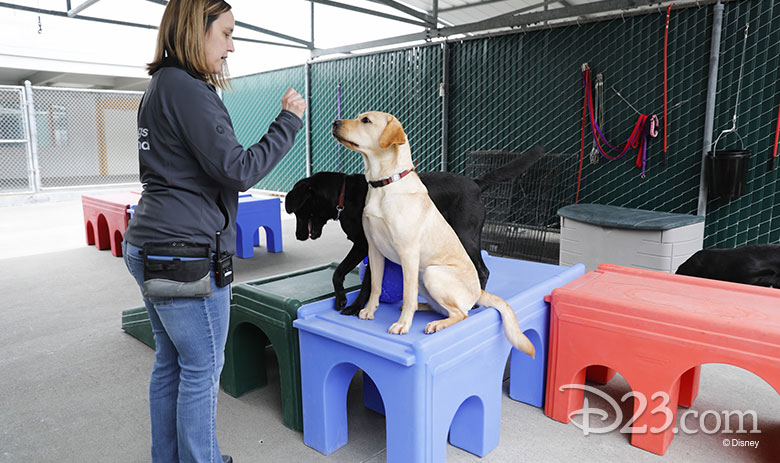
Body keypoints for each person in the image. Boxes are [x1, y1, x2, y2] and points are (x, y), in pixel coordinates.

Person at [122, 1, 305, 462]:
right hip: (184, 254)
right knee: (203, 370)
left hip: (150, 242)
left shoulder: (160, 85)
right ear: (193, 30)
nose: (231, 46)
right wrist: (288, 123)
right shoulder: (185, 89)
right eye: (224, 34)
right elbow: (237, 169)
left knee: (172, 363)